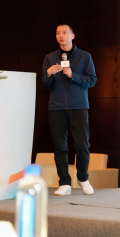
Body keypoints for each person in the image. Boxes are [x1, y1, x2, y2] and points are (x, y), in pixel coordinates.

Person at [41, 21, 97, 196]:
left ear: (72, 36)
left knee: (82, 145)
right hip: (56, 107)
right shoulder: (50, 58)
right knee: (60, 146)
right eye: (58, 33)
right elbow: (45, 83)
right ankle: (64, 182)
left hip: (78, 106)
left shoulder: (84, 56)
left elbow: (92, 80)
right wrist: (48, 73)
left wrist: (73, 75)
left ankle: (82, 178)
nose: (61, 36)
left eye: (64, 32)